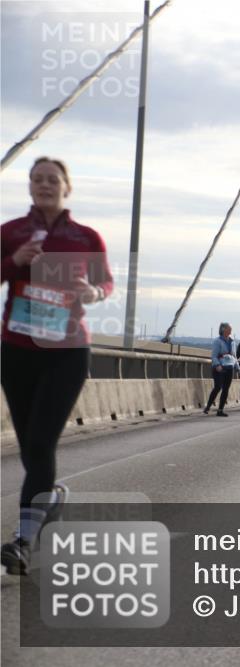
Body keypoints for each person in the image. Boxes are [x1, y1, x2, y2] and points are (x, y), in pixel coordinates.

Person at [1, 157, 114, 574]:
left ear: (67, 187)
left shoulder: (85, 237)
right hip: (18, 349)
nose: (44, 185)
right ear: (30, 186)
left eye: (52, 179)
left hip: (68, 351)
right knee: (30, 446)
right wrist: (15, 261)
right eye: (37, 179)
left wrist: (92, 292)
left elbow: (106, 283)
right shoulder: (11, 232)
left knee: (41, 443)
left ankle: (23, 541)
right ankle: (48, 500)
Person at [204, 322, 237, 416]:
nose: (231, 330)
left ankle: (220, 410)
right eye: (229, 328)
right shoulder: (217, 341)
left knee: (226, 389)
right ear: (223, 329)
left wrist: (237, 366)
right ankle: (208, 406)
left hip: (229, 367)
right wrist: (217, 365)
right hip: (219, 367)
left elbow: (234, 356)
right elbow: (214, 356)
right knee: (218, 387)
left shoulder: (232, 342)